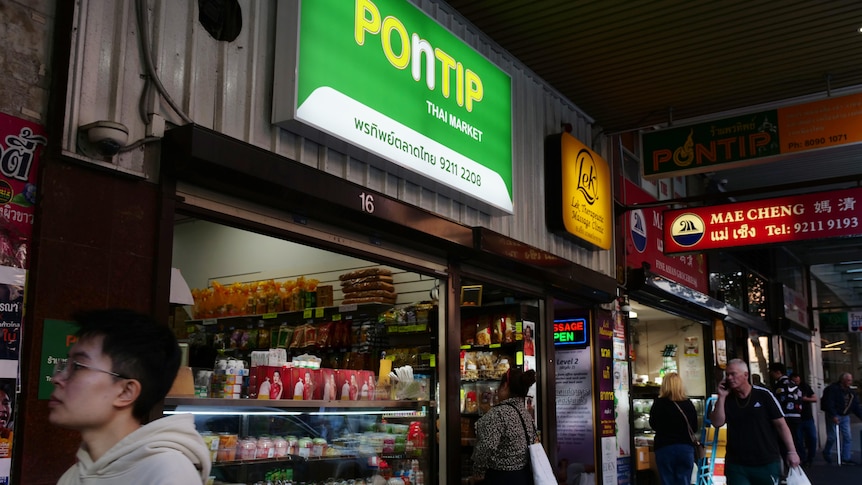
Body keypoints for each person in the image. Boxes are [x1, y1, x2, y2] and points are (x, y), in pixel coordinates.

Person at [48, 308, 211, 484]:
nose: (57, 378)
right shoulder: (73, 477)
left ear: (126, 392)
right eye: (65, 365)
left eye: (78, 366)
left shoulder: (169, 474)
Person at [709, 359, 799, 485]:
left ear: (746, 375)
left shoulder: (763, 395)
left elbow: (781, 425)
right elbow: (717, 422)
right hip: (737, 463)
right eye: (727, 374)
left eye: (733, 374)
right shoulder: (727, 399)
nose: (729, 378)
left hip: (766, 461)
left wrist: (791, 452)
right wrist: (721, 397)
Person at [470, 368, 537, 485]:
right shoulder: (525, 414)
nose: (497, 390)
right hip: (523, 477)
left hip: (500, 478)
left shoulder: (498, 414)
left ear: (505, 386)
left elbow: (486, 447)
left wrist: (478, 473)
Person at [648, 373, 698, 485]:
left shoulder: (659, 404)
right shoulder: (688, 404)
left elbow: (653, 424)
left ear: (664, 385)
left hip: (664, 448)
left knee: (667, 481)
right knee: (684, 481)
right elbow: (694, 428)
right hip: (685, 449)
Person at [821, 372, 862, 465]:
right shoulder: (832, 389)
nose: (850, 382)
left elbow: (855, 406)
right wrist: (833, 415)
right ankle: (827, 452)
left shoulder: (851, 392)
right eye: (848, 380)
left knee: (847, 436)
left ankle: (845, 458)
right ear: (842, 380)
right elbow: (828, 403)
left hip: (845, 415)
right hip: (834, 415)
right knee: (832, 436)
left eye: (850, 380)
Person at [767, 362, 802, 457]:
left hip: (785, 417)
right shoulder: (793, 384)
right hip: (797, 416)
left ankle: (789, 462)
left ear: (778, 372)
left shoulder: (779, 385)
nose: (771, 375)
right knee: (795, 439)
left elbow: (777, 402)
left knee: (784, 442)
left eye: (772, 372)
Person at [790, 373, 817, 467]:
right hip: (797, 418)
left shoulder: (805, 387)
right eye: (795, 381)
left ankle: (811, 457)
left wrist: (804, 399)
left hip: (807, 417)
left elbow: (815, 398)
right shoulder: (789, 388)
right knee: (798, 439)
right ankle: (803, 458)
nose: (797, 383)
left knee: (812, 437)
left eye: (798, 381)